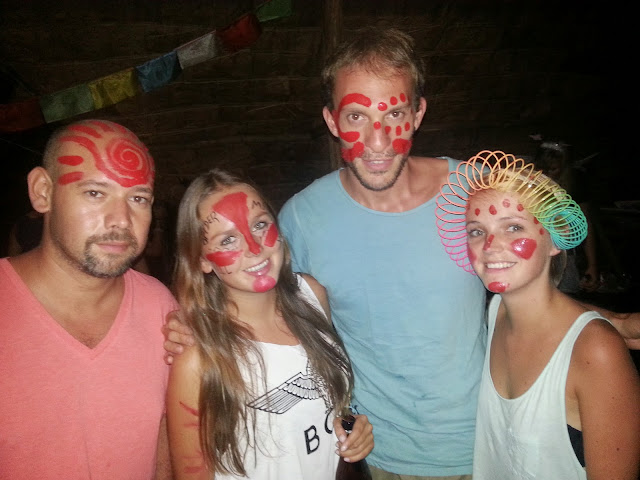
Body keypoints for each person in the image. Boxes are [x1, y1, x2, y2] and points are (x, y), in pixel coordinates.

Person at [163, 27, 640, 479]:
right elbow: (269, 298)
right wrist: (194, 319)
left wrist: (608, 324)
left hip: (489, 439)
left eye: (393, 115)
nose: (378, 142)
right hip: (378, 453)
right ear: (332, 121)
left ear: (417, 114)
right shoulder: (302, 219)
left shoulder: (473, 192)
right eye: (357, 117)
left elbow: (530, 285)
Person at [435, 150, 640, 479]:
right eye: (476, 231)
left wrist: (611, 325)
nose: (490, 245)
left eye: (513, 227)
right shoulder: (496, 310)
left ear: (555, 240)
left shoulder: (596, 352)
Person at [166, 169, 374, 479]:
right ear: (202, 260)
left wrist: (352, 428)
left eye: (260, 225)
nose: (255, 247)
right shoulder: (199, 358)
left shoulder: (311, 297)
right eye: (228, 240)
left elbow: (331, 403)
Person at [0, 119, 177, 479]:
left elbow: (164, 437)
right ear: (43, 191)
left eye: (138, 198)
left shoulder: (161, 308)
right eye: (95, 193)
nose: (121, 220)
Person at [533, 140, 599, 293]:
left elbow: (586, 225)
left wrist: (592, 265)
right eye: (542, 169)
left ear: (564, 169)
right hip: (534, 255)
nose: (547, 174)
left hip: (564, 257)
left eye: (553, 169)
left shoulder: (574, 188)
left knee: (565, 296)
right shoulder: (528, 187)